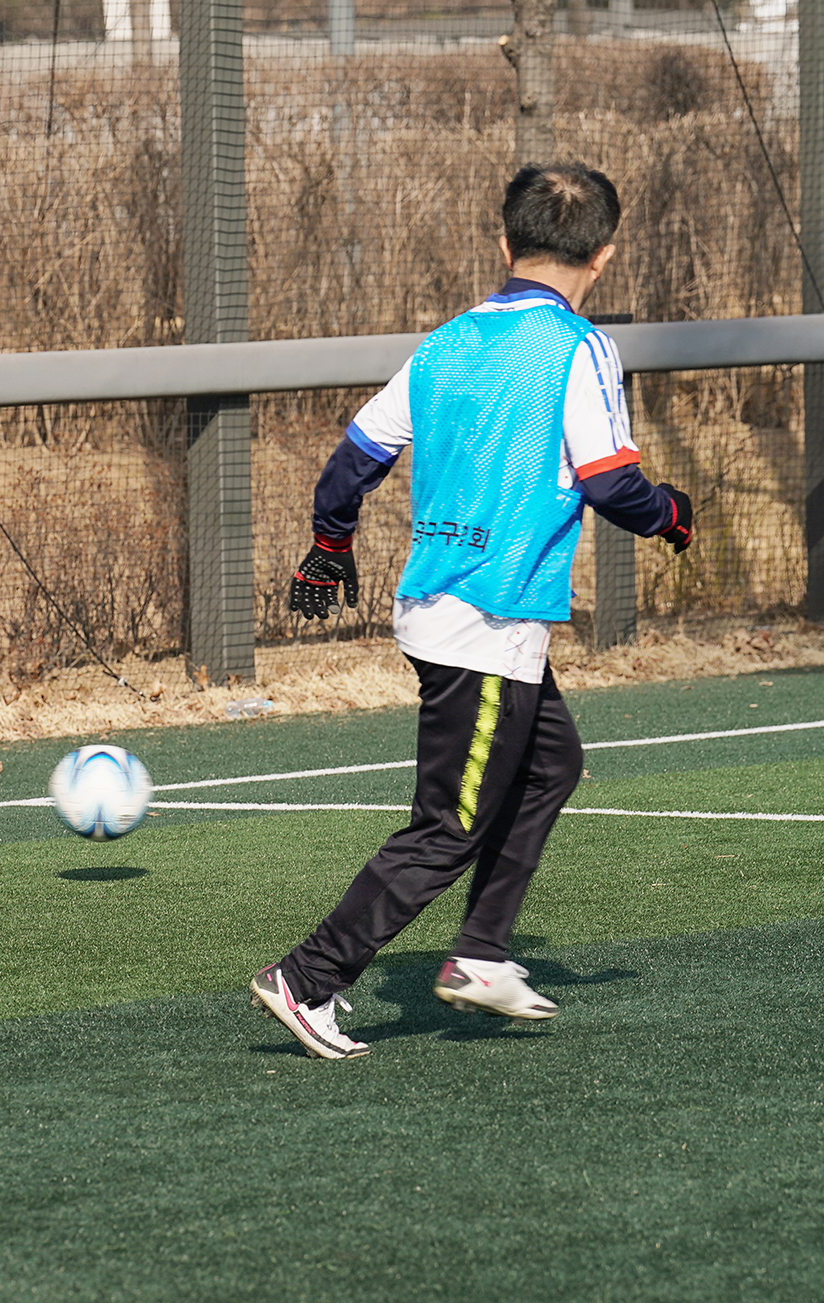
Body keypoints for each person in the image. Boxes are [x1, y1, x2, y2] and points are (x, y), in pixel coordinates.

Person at [251, 162, 695, 1060]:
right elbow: (610, 480)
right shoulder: (580, 346)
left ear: (504, 243)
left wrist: (331, 545)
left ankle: (482, 954)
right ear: (603, 256)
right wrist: (671, 515)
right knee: (448, 823)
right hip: (483, 623)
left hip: (452, 609)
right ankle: (309, 977)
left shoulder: (446, 342)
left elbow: (352, 460)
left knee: (550, 765)